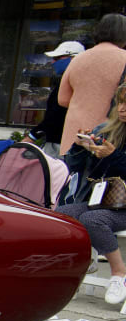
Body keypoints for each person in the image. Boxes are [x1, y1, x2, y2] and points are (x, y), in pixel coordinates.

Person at [58, 84, 126, 305]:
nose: (123, 109)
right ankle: (86, 259)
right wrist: (81, 147)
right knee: (61, 214)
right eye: (121, 102)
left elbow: (118, 166)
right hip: (102, 200)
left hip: (120, 206)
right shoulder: (106, 129)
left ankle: (120, 274)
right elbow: (73, 166)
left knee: (92, 219)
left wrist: (114, 157)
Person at [58, 13, 126, 157]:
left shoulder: (78, 59)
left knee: (72, 175)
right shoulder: (124, 58)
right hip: (108, 136)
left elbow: (62, 99)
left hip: (76, 134)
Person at [28, 40, 85, 156]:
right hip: (57, 142)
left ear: (73, 58)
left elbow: (56, 114)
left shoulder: (77, 83)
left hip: (62, 145)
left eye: (58, 58)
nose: (53, 62)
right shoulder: (65, 82)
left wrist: (32, 136)